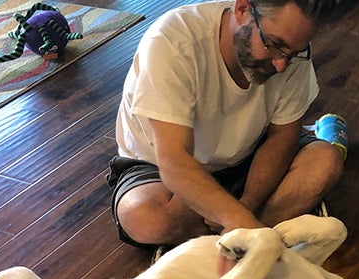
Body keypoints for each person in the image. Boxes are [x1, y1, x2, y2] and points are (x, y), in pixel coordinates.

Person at [108, 0, 344, 255]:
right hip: (168, 170)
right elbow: (174, 160)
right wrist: (236, 218)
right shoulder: (172, 41)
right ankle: (255, 232)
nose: (281, 65)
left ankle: (210, 245)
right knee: (145, 218)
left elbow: (281, 139)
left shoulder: (291, 52)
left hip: (250, 153)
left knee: (326, 162)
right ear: (242, 9)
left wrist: (246, 206)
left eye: (293, 53)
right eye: (275, 45)